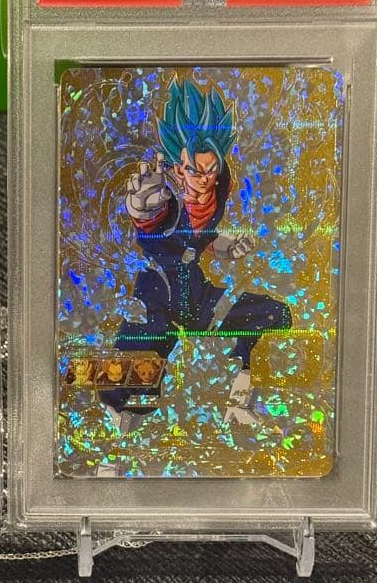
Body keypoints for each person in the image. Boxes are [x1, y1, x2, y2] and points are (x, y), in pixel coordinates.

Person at [99, 75, 291, 432]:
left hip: (197, 297)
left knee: (273, 313)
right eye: (194, 170)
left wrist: (225, 245)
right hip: (158, 297)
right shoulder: (165, 201)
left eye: (210, 169)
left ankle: (239, 400)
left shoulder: (218, 187)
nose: (203, 179)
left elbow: (198, 240)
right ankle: (116, 413)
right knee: (136, 366)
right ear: (177, 169)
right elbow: (154, 227)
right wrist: (143, 210)